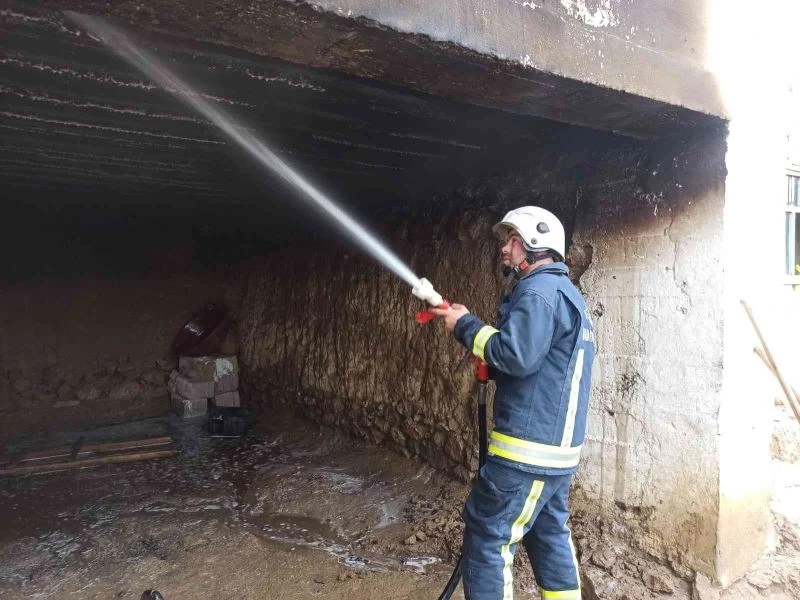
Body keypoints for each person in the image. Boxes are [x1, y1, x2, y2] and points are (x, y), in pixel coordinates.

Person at [431, 206, 595, 600]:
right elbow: (539, 366)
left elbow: (519, 355)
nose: (505, 249)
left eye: (513, 240)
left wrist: (467, 326)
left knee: (489, 536)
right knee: (548, 533)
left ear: (535, 245)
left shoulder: (539, 292)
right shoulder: (567, 296)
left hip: (526, 451)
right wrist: (494, 361)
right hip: (555, 454)